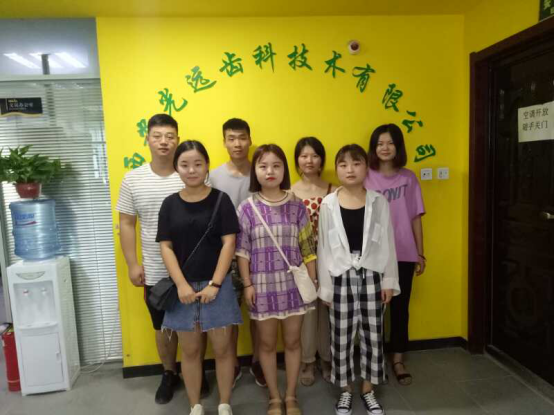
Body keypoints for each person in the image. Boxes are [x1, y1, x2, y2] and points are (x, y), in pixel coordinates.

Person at [158, 141, 243, 416]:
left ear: (207, 166)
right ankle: (195, 406)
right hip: (183, 289)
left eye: (197, 164)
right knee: (190, 351)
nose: (191, 170)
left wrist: (215, 284)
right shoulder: (169, 204)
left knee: (223, 350)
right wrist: (181, 285)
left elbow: (229, 243)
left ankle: (225, 404)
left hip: (218, 285)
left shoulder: (221, 200)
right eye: (184, 164)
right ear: (176, 168)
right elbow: (165, 247)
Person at [236, 144, 318, 416]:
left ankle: (291, 396)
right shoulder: (247, 208)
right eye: (263, 166)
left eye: (276, 165)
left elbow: (307, 247)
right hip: (261, 286)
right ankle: (274, 397)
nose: (269, 171)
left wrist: (313, 280)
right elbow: (242, 251)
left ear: (284, 170)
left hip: (293, 285)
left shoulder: (296, 206)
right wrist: (247, 284)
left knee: (293, 343)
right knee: (267, 345)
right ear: (255, 171)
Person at [318, 145, 400, 416]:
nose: (350, 169)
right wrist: (326, 288)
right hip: (340, 276)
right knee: (340, 337)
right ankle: (345, 390)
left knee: (373, 336)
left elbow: (387, 241)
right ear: (337, 169)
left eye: (356, 163)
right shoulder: (328, 204)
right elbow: (323, 248)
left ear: (366, 167)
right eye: (343, 164)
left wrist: (389, 281)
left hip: (372, 275)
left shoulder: (378, 202)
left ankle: (368, 389)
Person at [117, 114, 184, 405]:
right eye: (157, 136)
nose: (164, 142)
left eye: (169, 136)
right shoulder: (133, 179)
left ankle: (194, 369)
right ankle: (169, 373)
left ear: (178, 140)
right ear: (147, 139)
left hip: (193, 268)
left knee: (195, 324)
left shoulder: (191, 173)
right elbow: (126, 224)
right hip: (156, 270)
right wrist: (132, 264)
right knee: (163, 325)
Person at [365, 124, 426, 386]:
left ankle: (398, 359)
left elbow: (415, 217)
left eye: (390, 143)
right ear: (373, 148)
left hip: (404, 252)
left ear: (398, 147)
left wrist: (420, 253)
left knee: (400, 309)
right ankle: (375, 359)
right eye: (380, 143)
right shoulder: (365, 176)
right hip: (372, 255)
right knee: (373, 310)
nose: (385, 148)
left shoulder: (408, 178)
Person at [210, 118, 266, 389]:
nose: (237, 143)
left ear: (250, 140)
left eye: (242, 137)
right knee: (230, 316)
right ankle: (231, 365)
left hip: (260, 255)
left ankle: (259, 362)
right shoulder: (214, 176)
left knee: (260, 315)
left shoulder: (261, 172)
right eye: (231, 138)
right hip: (227, 257)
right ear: (224, 142)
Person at [291, 137, 334, 386]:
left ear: (322, 160)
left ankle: (327, 358)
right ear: (297, 160)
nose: (309, 160)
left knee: (327, 309)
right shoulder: (290, 193)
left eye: (315, 155)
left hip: (329, 259)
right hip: (300, 259)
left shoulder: (334, 190)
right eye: (304, 155)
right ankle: (307, 361)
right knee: (307, 311)